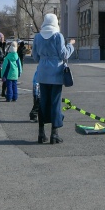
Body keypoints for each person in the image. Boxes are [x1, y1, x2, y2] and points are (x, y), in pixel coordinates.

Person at [32, 13, 75, 145]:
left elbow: (35, 57)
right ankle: (54, 134)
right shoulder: (58, 36)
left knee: (43, 101)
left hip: (42, 73)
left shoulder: (38, 37)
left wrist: (44, 60)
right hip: (55, 73)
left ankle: (41, 133)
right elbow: (64, 54)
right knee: (55, 102)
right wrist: (71, 45)